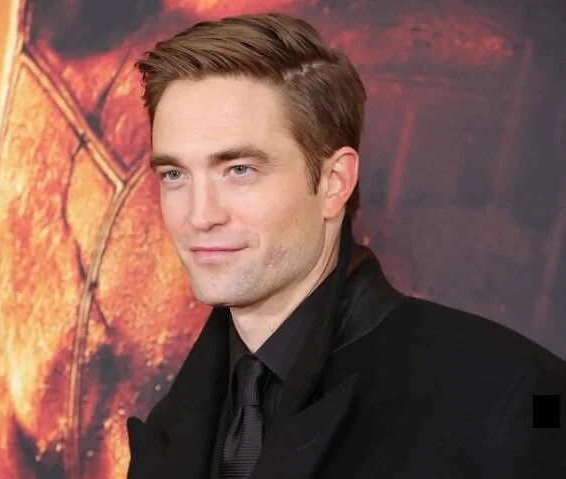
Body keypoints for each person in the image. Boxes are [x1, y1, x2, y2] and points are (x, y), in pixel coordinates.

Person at [125, 12, 566, 479]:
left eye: (239, 170)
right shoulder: (176, 419)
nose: (200, 215)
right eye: (174, 174)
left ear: (335, 182)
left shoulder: (517, 397)